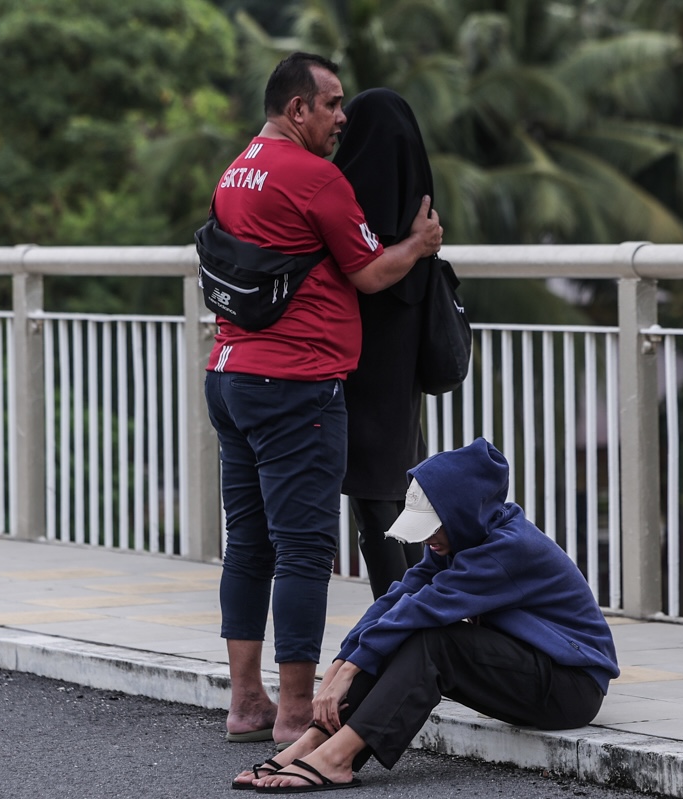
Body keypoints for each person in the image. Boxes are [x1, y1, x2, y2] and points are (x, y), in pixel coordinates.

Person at [202, 52, 444, 749]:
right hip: (296, 384)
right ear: (296, 108)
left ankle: (247, 701)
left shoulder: (237, 169)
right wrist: (419, 243)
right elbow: (371, 273)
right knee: (305, 549)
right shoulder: (315, 178)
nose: (343, 118)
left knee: (248, 544)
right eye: (332, 104)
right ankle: (295, 709)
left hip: (230, 372)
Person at [233, 437, 620, 792]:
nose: (427, 539)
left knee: (433, 642)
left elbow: (423, 609)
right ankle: (316, 741)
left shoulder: (509, 550)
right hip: (531, 671)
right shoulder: (463, 537)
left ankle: (337, 758)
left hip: (571, 687)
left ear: (463, 514)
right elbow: (398, 599)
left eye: (433, 528)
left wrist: (348, 671)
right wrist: (342, 660)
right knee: (401, 631)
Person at [333, 88, 433, 599]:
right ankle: (417, 611)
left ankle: (398, 621)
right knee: (400, 491)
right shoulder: (422, 222)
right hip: (403, 367)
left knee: (374, 502)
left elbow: (359, 273)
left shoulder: (348, 200)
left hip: (357, 364)